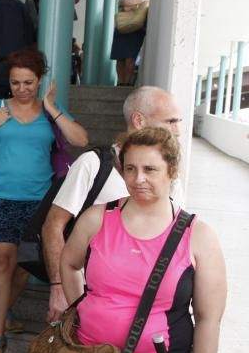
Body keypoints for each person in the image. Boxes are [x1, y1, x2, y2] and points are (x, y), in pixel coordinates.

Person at [59, 127, 226, 353]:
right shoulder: (98, 219)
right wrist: (80, 310)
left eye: (150, 169)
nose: (138, 179)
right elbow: (70, 263)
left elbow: (210, 321)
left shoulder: (198, 236)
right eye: (130, 168)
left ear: (171, 171)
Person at [41, 86, 185, 322]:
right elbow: (53, 225)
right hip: (88, 300)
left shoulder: (170, 177)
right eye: (170, 121)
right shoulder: (94, 164)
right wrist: (59, 288)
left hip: (146, 308)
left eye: (178, 121)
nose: (177, 130)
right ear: (138, 120)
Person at [0, 48, 88, 353]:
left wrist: (52, 108)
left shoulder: (48, 109)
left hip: (40, 201)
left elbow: (81, 139)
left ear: (38, 80)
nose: (22, 89)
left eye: (28, 82)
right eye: (16, 83)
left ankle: (5, 312)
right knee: (2, 261)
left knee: (25, 266)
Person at [111, 0, 150, 87]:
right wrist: (138, 6)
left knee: (130, 58)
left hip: (136, 30)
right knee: (120, 58)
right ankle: (120, 81)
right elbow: (124, 2)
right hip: (122, 28)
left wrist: (131, 7)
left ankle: (127, 82)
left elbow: (128, 6)